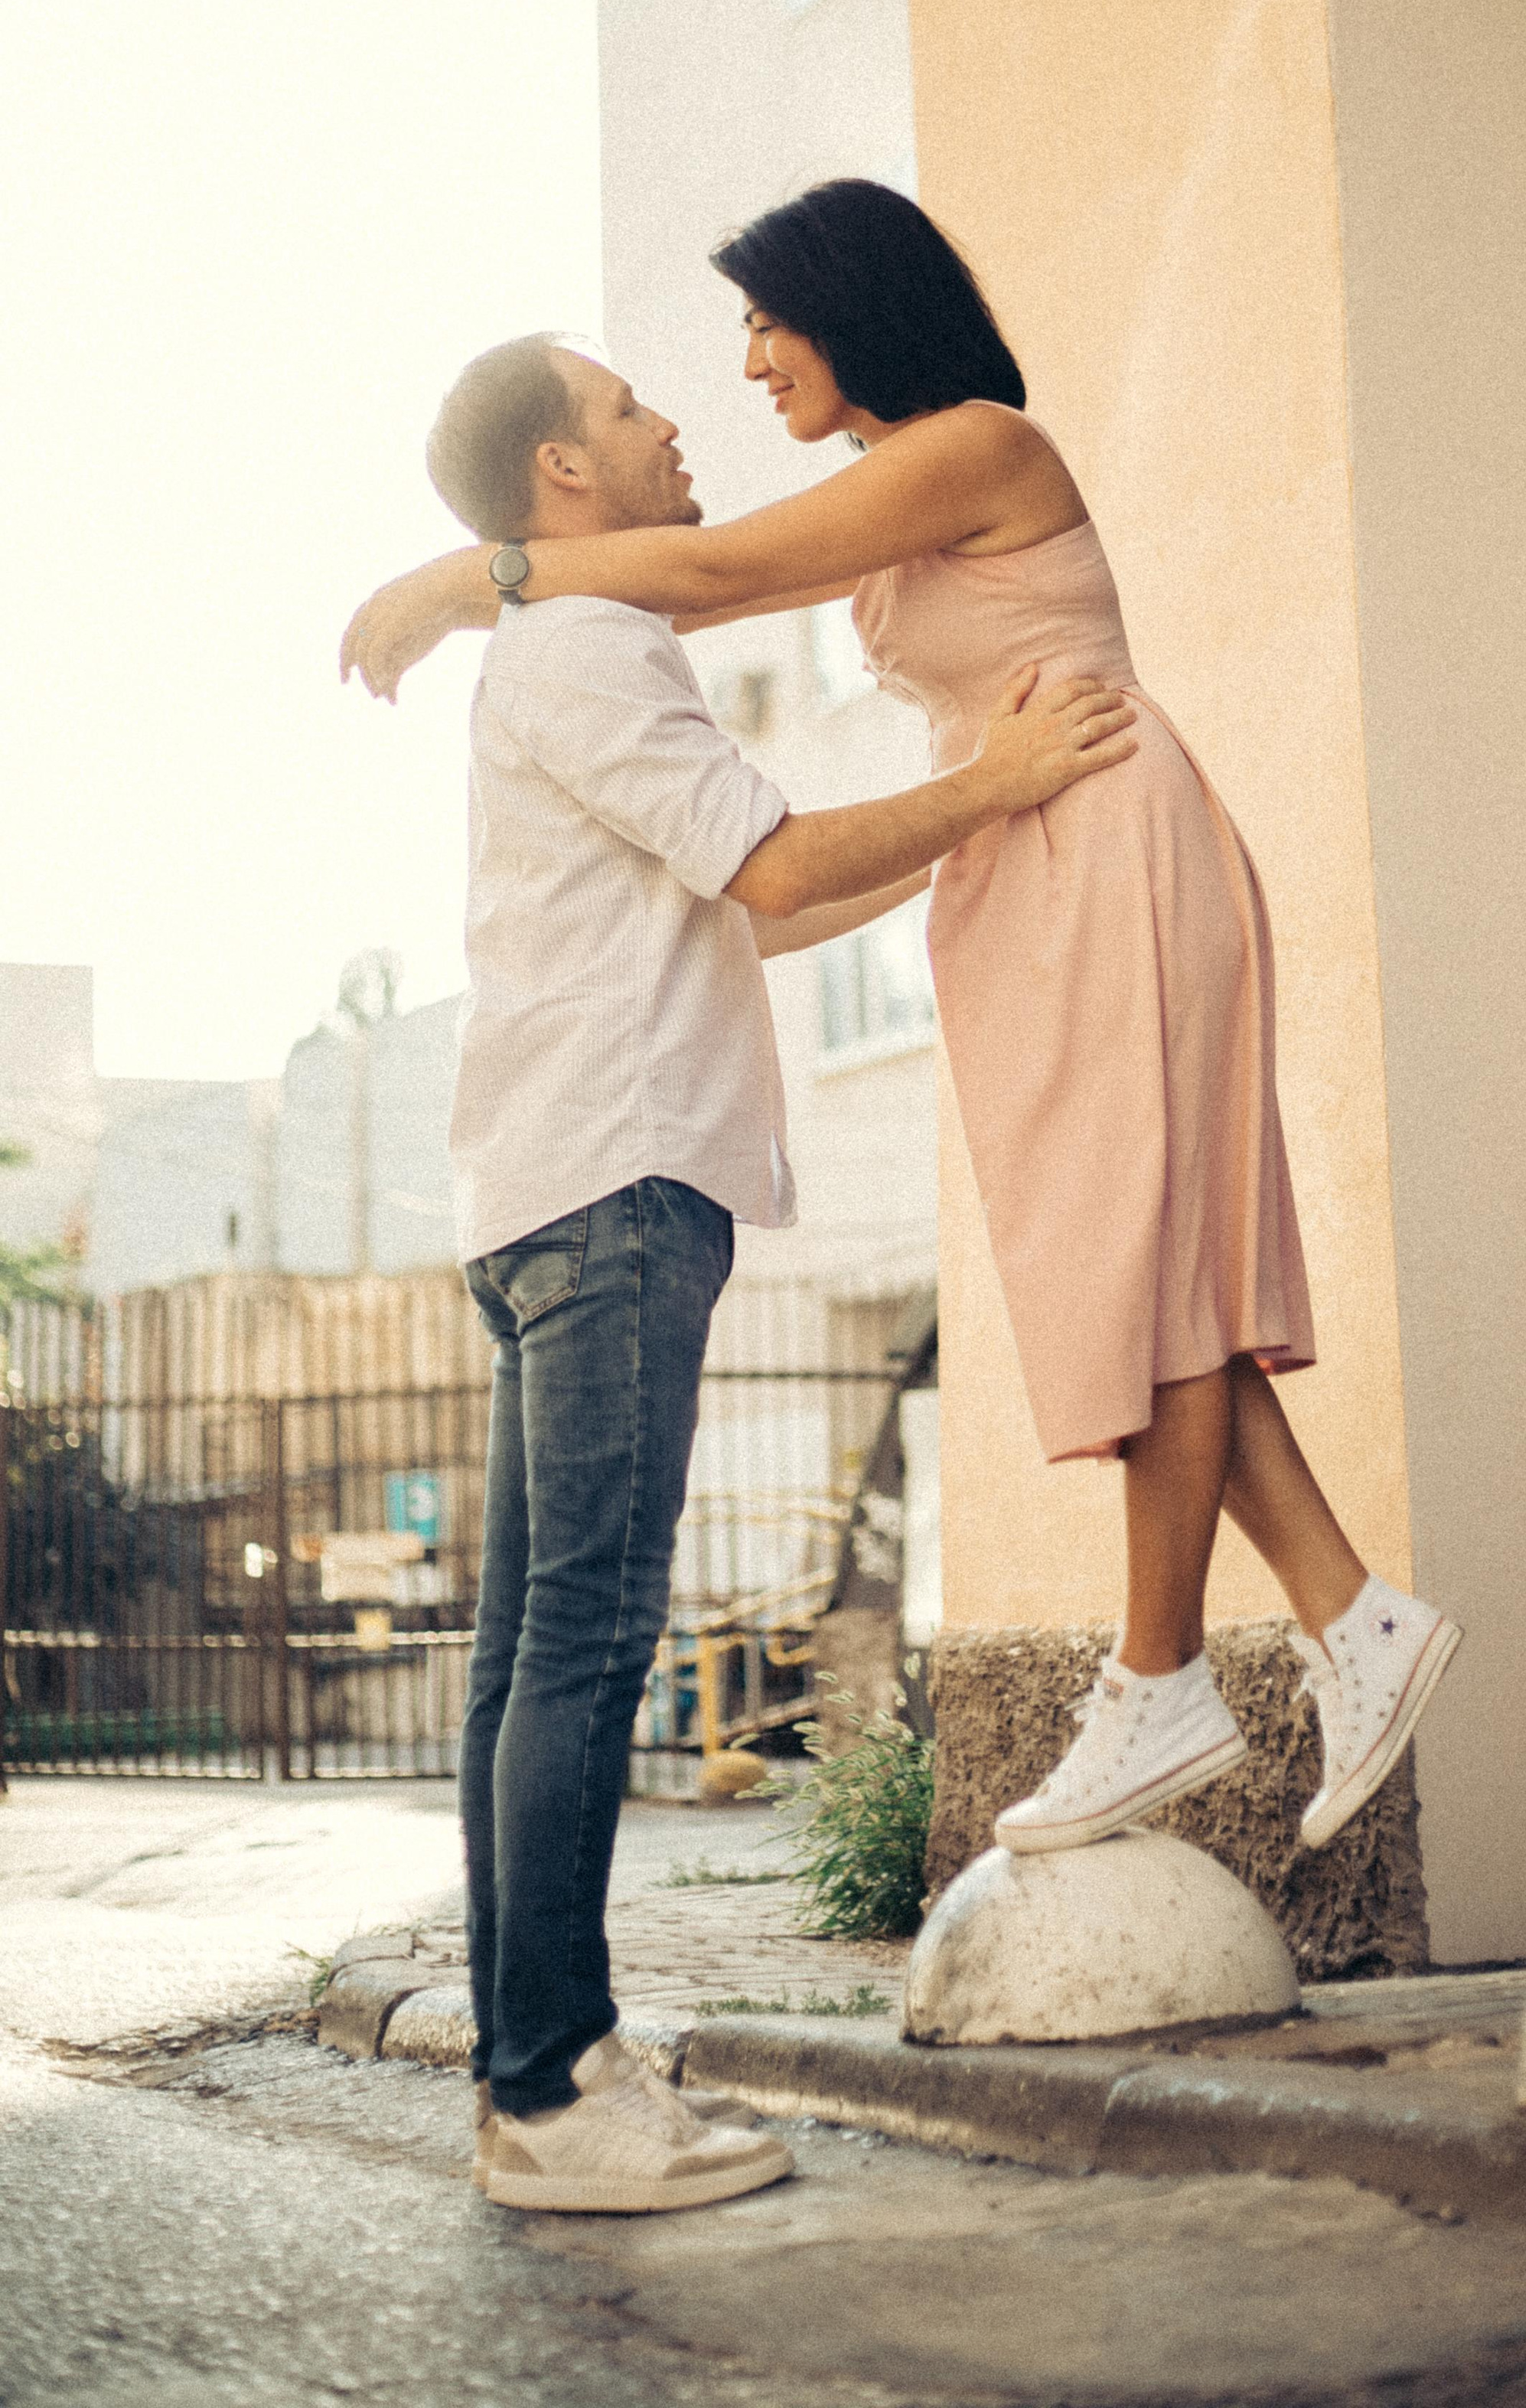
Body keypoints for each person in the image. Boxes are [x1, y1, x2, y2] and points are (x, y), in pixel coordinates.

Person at [342, 184, 1462, 1868]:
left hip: (1100, 831)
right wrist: (519, 587)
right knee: (1141, 1261)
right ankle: (1346, 1617)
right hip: (1030, 848)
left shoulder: (976, 444)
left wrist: (466, 576)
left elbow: (707, 567)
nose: (739, 365)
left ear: (841, 305)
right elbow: (688, 596)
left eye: (761, 324)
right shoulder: (893, 493)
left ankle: (1159, 1673)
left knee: (1138, 1257)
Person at [351, 328, 1136, 2215]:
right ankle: (547, 2096)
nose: (669, 423)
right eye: (627, 410)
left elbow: (748, 900)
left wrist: (980, 811)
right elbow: (772, 873)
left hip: (554, 1187)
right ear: (561, 474)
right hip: (612, 1191)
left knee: (528, 1662)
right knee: (587, 1649)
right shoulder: (588, 640)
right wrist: (998, 774)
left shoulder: (561, 657)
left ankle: (545, 2070)